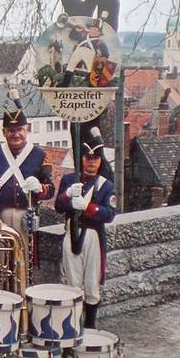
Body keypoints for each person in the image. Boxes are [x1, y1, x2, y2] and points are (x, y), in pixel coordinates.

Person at [0, 89, 54, 256]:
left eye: (20, 130)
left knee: (23, 263)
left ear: (27, 130)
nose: (16, 134)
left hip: (26, 218)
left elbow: (50, 189)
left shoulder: (41, 155)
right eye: (11, 131)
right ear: (4, 132)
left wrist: (40, 188)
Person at [54, 128, 117, 328]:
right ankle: (72, 325)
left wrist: (88, 208)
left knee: (91, 283)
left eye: (95, 158)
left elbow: (109, 214)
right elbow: (58, 205)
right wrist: (67, 196)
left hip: (93, 237)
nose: (91, 162)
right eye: (88, 158)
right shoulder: (69, 180)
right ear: (82, 159)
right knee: (72, 283)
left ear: (100, 161)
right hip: (72, 231)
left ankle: (90, 326)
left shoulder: (106, 185)